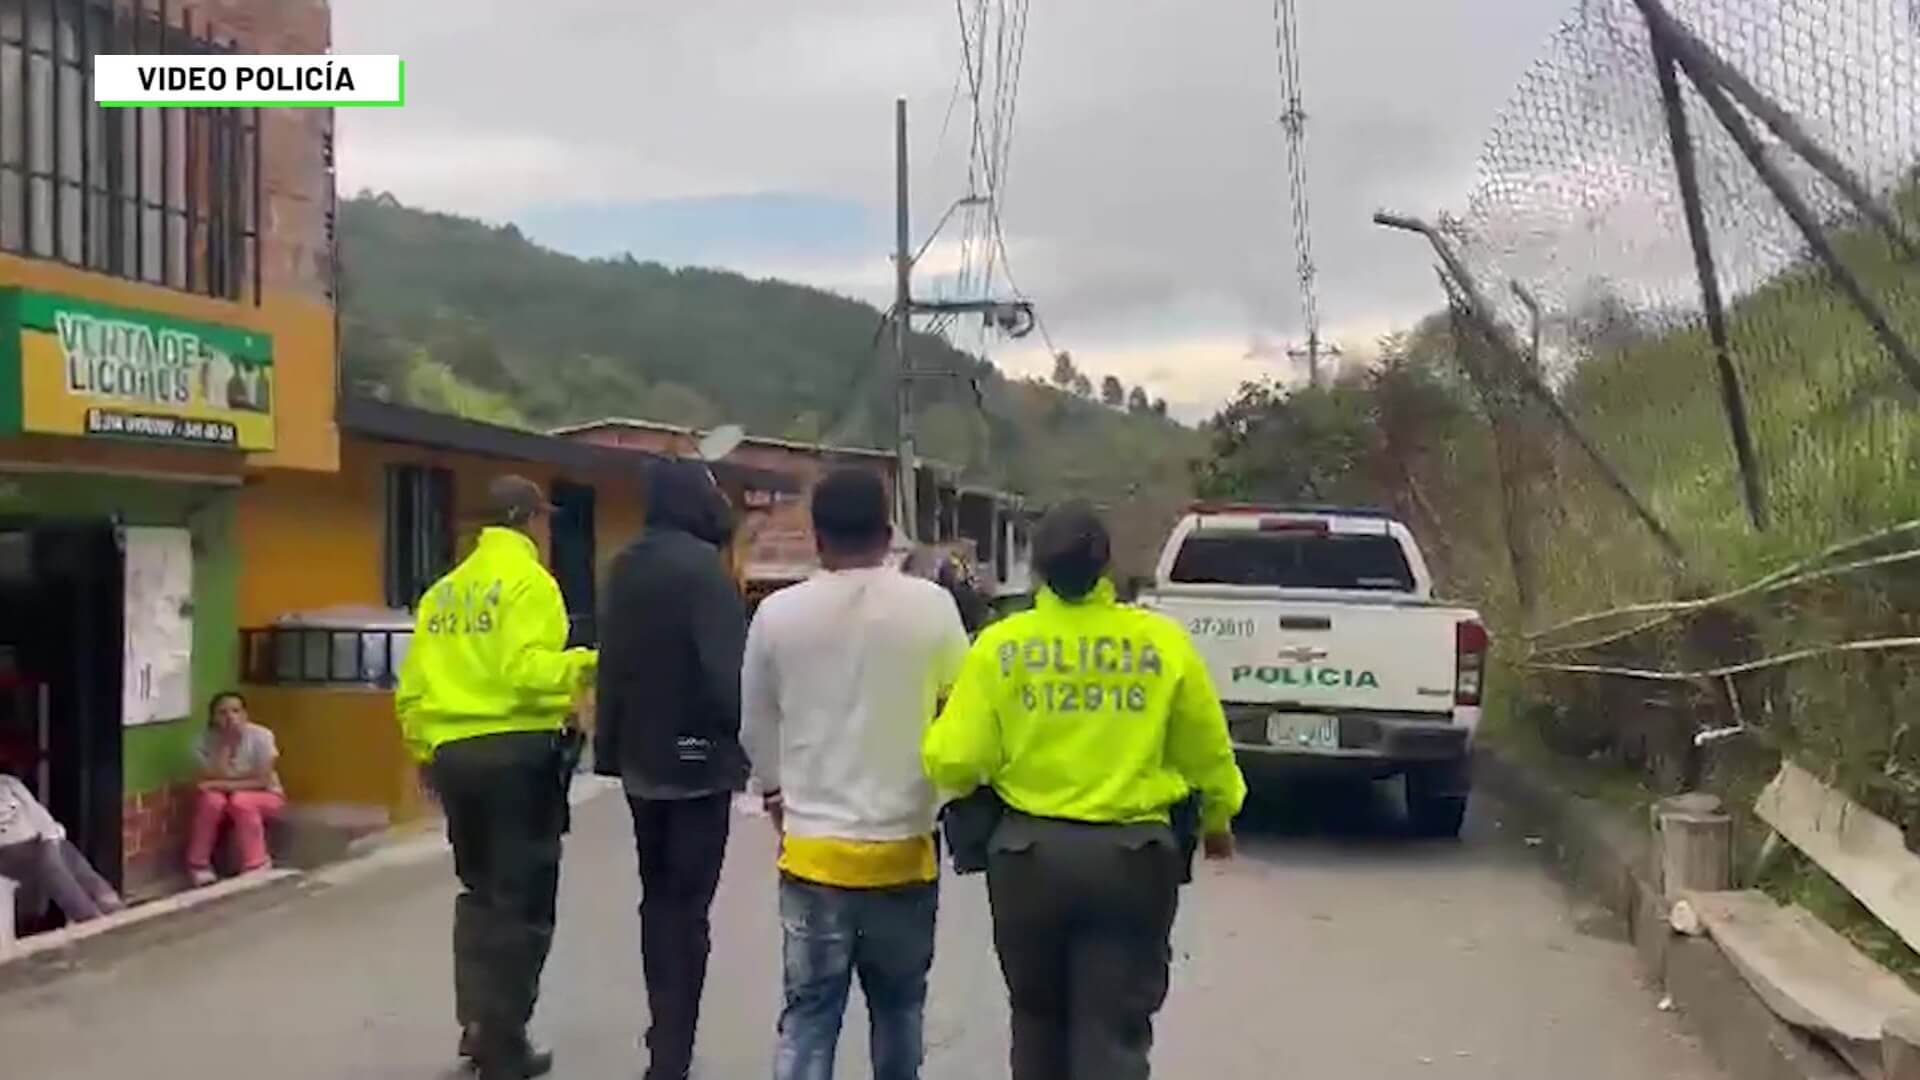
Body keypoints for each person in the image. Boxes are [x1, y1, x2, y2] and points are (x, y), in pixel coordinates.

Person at [922, 501, 1248, 1080]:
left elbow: (955, 759)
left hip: (1028, 862)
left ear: (1040, 571)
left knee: (1038, 1020)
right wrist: (1218, 819)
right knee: (1116, 1032)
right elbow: (1207, 750)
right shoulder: (1161, 644)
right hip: (1133, 862)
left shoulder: (1002, 646)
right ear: (1106, 565)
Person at [741, 468, 971, 1080]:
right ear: (889, 531)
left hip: (814, 855)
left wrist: (775, 795)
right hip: (904, 849)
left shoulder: (778, 615)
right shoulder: (934, 609)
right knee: (898, 1011)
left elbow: (756, 725)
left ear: (818, 536)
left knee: (809, 1015)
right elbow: (964, 715)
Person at [395, 474, 599, 1080]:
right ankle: (505, 1042)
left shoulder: (444, 593)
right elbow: (526, 671)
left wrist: (425, 752)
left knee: (478, 894)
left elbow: (411, 691)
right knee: (523, 901)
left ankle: (477, 1025)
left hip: (454, 756)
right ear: (531, 520)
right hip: (516, 754)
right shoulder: (530, 582)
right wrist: (591, 664)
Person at [595, 458, 749, 1080]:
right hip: (696, 763)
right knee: (689, 909)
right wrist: (750, 749)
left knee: (656, 902)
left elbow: (613, 666)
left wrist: (610, 750)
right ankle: (672, 1051)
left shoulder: (624, 566)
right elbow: (726, 679)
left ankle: (664, 1035)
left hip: (641, 762)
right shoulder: (703, 574)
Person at [186, 691, 286, 886]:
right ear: (213, 718)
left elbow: (262, 781)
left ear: (245, 715)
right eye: (222, 713)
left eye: (236, 711)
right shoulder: (203, 740)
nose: (230, 718)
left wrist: (218, 784)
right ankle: (198, 864)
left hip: (266, 795)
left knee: (241, 802)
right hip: (223, 795)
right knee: (210, 801)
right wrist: (225, 746)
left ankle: (256, 864)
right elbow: (212, 774)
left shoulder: (261, 736)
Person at [0, 768, 122, 927]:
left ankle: (107, 900)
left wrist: (51, 834)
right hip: (7, 851)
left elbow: (37, 812)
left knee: (62, 848)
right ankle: (89, 917)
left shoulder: (9, 782)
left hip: (36, 842)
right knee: (47, 861)